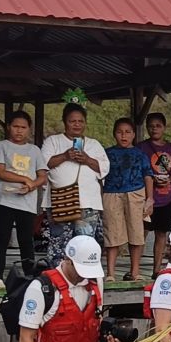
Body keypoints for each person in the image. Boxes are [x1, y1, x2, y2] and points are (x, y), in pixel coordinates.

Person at [18, 235, 105, 342]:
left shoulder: (95, 283)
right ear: (67, 260)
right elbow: (26, 336)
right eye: (80, 270)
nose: (84, 275)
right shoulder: (41, 288)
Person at [41, 102, 109, 266]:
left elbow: (105, 168)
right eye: (73, 121)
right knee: (58, 243)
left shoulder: (94, 144)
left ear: (85, 123)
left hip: (87, 202)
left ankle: (84, 275)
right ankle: (57, 277)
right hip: (59, 200)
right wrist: (65, 156)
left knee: (85, 243)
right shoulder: (53, 141)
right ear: (65, 122)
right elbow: (43, 164)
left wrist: (86, 159)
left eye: (80, 121)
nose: (77, 125)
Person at [0, 111, 47, 288]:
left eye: (23, 127)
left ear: (28, 129)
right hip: (4, 199)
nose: (19, 131)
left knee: (26, 240)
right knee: (2, 238)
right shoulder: (0, 146)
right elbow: (0, 171)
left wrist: (31, 185)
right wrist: (24, 179)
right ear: (9, 127)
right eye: (15, 126)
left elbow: (42, 176)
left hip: (27, 202)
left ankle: (29, 277)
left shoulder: (34, 150)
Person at [101, 118, 154, 282]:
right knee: (112, 232)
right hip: (111, 193)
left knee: (136, 232)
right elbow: (99, 175)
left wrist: (150, 198)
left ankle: (135, 272)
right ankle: (110, 273)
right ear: (114, 134)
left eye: (127, 132)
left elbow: (148, 175)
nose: (123, 136)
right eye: (119, 132)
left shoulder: (140, 154)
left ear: (133, 134)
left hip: (135, 193)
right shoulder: (106, 153)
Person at [136, 112, 171, 278]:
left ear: (164, 127)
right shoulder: (141, 148)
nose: (154, 129)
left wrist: (168, 180)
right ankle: (134, 270)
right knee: (140, 233)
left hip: (167, 197)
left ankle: (156, 270)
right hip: (146, 198)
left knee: (161, 234)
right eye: (151, 126)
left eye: (158, 125)